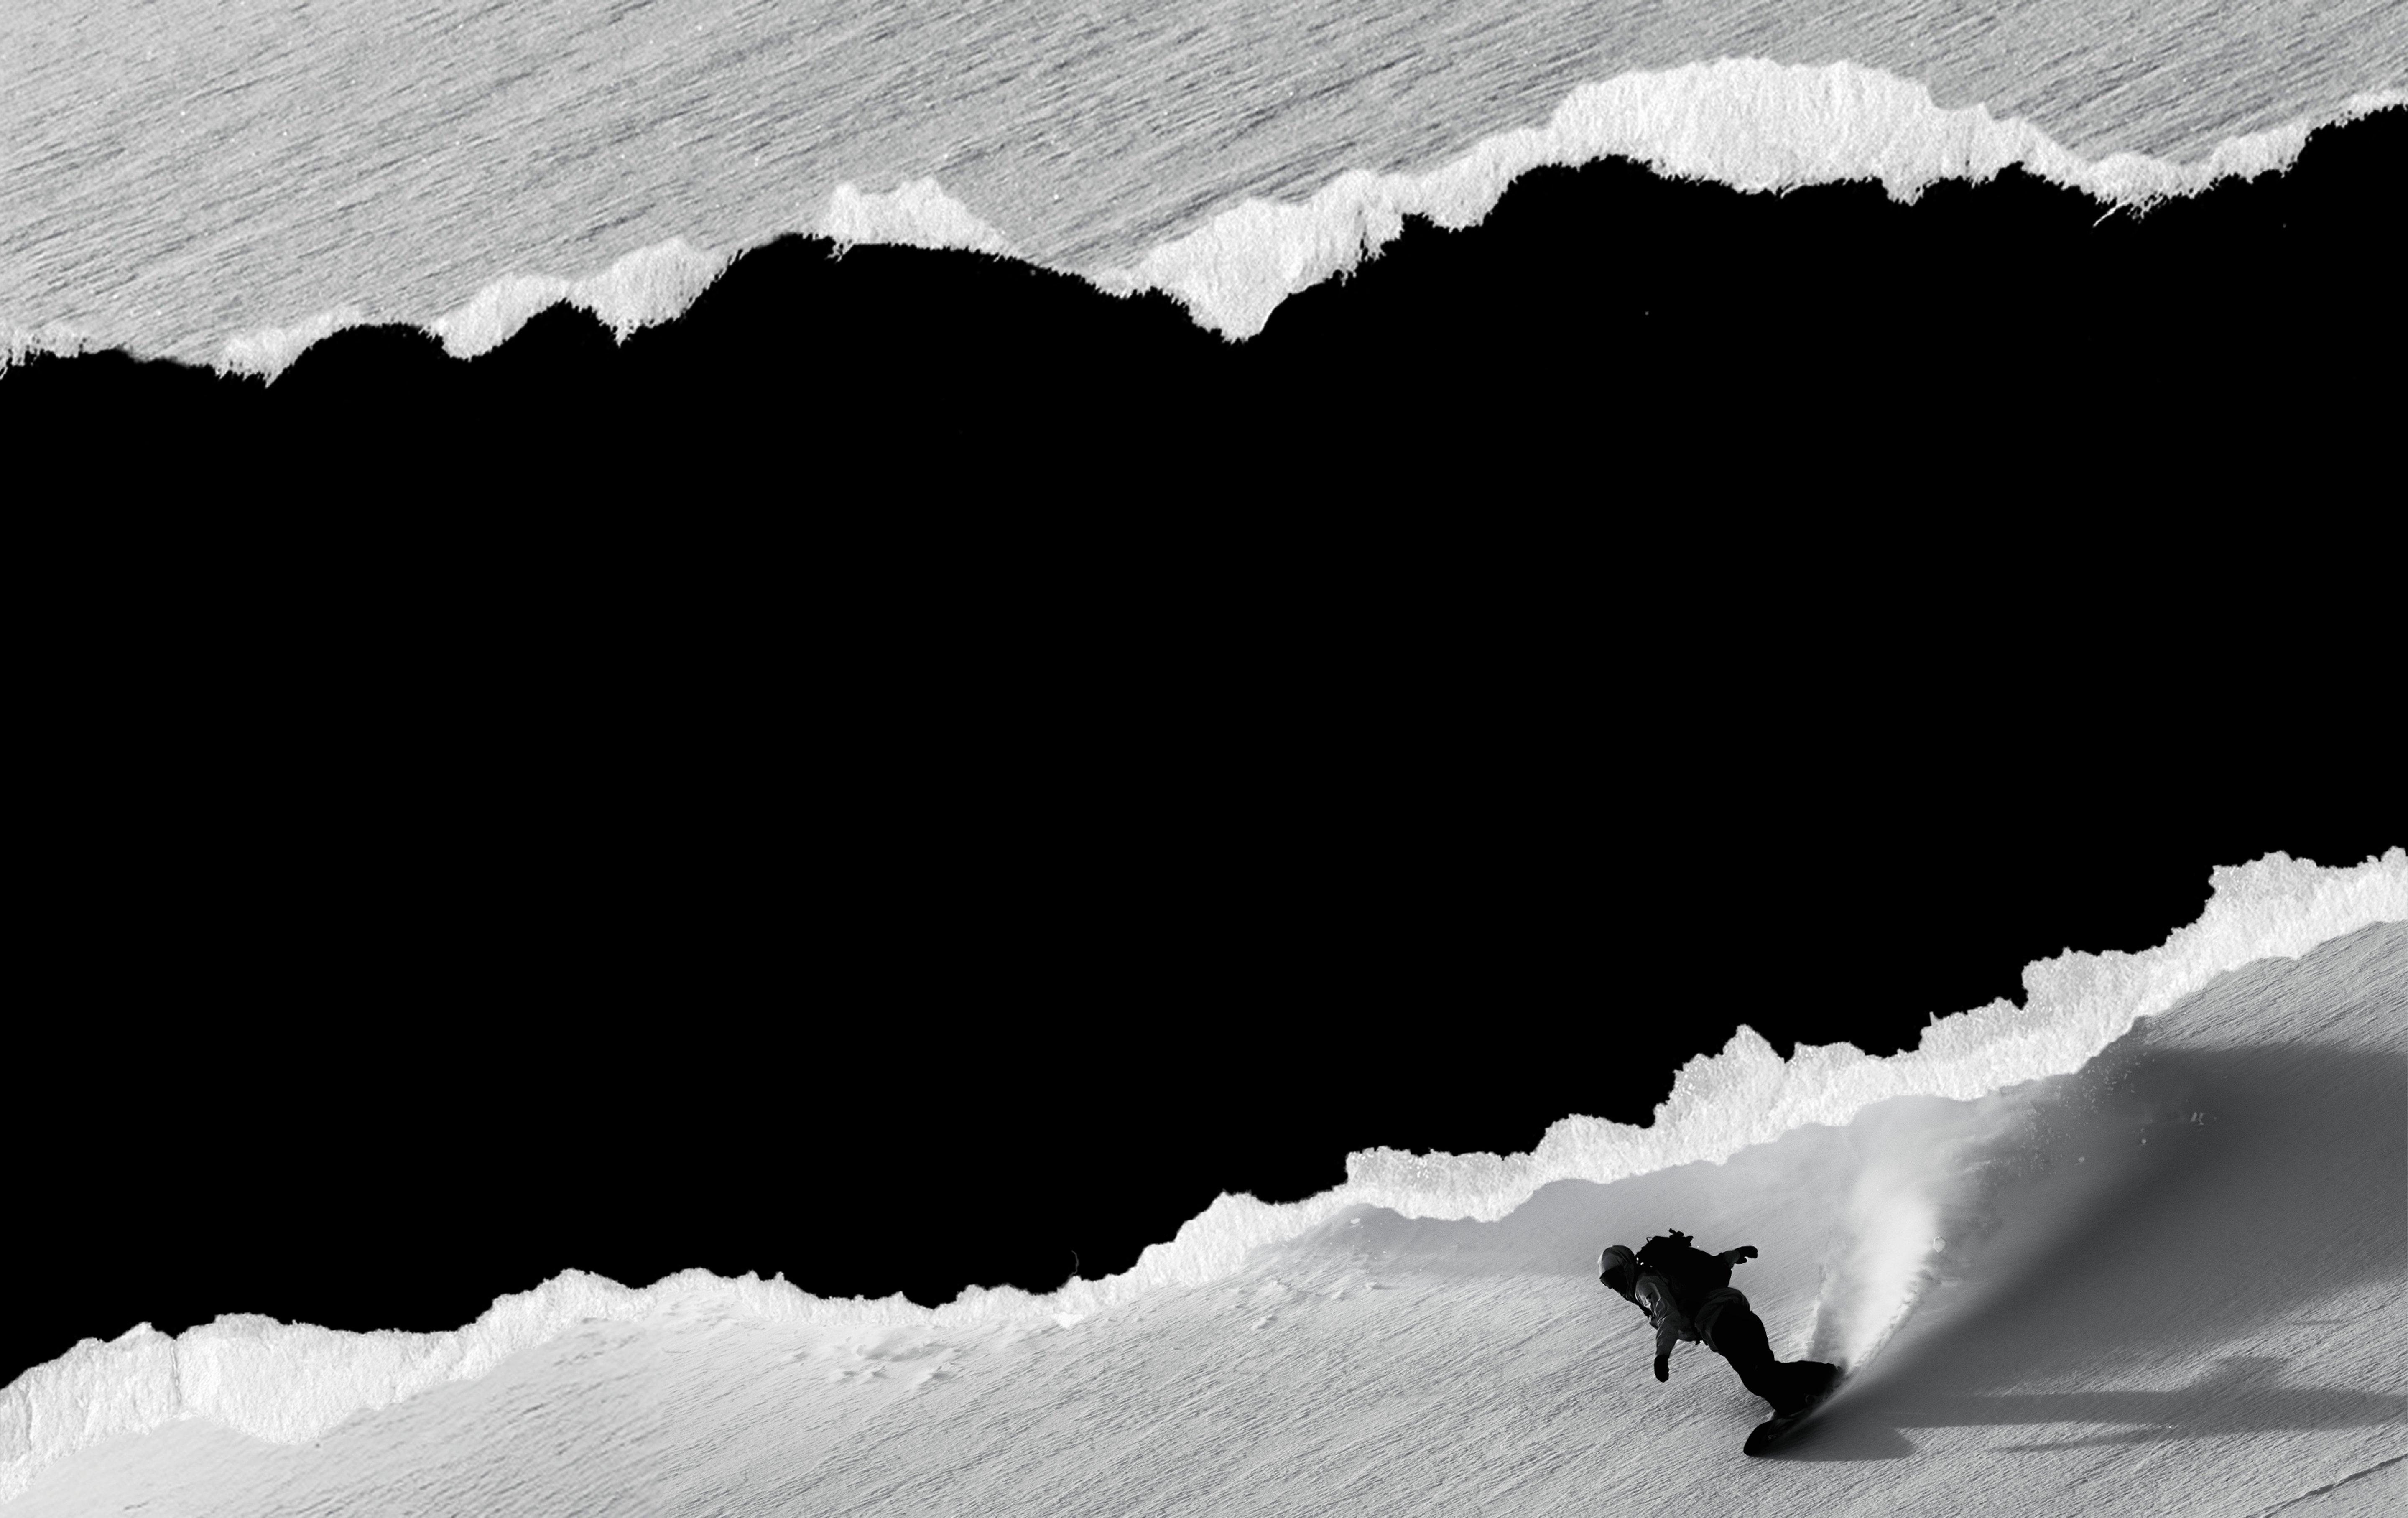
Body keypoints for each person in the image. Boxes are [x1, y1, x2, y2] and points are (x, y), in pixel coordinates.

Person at [1598, 1230, 1838, 1416]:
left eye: (1615, 1277)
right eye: (1608, 1282)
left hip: (1724, 1324)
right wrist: (1737, 1254)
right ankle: (1806, 1395)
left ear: (1627, 1267)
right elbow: (1713, 1266)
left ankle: (1822, 1381)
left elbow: (1668, 1316)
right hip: (1733, 1316)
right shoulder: (1659, 1275)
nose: (1615, 1286)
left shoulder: (1644, 1286)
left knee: (1759, 1376)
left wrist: (1662, 1356)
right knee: (1762, 1374)